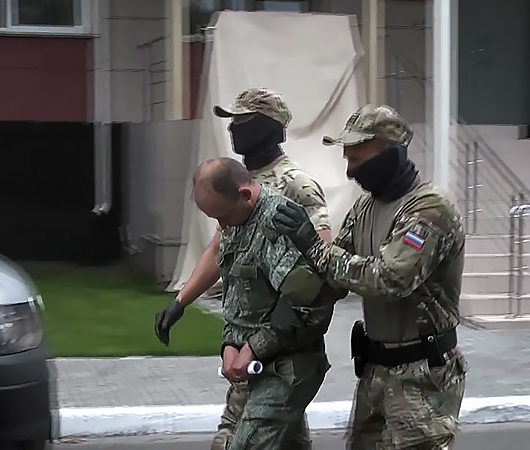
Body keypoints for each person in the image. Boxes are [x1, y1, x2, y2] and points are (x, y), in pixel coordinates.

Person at [272, 104, 468, 450]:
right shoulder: (364, 208)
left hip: (421, 377)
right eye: (347, 159)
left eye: (358, 159)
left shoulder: (430, 209)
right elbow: (332, 277)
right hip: (375, 371)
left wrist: (315, 247)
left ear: (391, 154)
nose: (350, 171)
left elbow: (389, 279)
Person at [153, 88, 333, 450]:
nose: (233, 128)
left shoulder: (294, 185)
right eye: (232, 121)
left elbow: (320, 262)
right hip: (251, 347)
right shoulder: (234, 180)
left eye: (242, 121)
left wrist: (262, 340)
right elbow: (219, 248)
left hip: (281, 347)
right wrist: (182, 301)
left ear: (268, 127)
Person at [191, 157, 334, 450]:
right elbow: (238, 296)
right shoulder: (237, 221)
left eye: (223, 215)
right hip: (255, 365)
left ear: (244, 195)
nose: (221, 226)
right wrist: (230, 343)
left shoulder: (277, 223)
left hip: (288, 365)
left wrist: (252, 348)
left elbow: (307, 306)